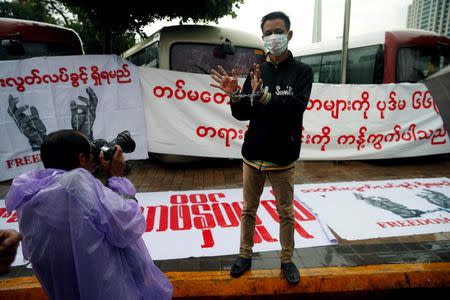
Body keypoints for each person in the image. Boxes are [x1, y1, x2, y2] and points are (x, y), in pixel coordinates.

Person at [5, 129, 173, 299]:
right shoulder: (77, 182)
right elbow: (128, 226)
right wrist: (116, 178)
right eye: (91, 152)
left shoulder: (29, 192)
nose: (95, 156)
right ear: (82, 158)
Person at [210, 11, 313, 285]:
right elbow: (243, 113)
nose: (272, 37)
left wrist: (264, 95)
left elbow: (295, 110)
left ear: (289, 35)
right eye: (267, 33)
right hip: (252, 155)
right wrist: (235, 93)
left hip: (283, 157)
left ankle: (287, 259)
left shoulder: (302, 72)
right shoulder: (258, 70)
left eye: (277, 31)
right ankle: (244, 254)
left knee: (286, 213)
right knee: (248, 210)